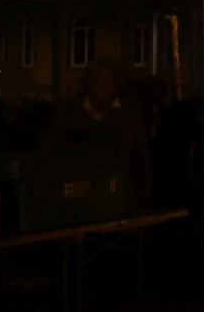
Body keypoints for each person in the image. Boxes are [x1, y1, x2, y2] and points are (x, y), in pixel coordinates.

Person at [51, 55, 151, 210]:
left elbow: (141, 161)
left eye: (107, 80)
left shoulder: (130, 117)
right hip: (77, 201)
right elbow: (54, 154)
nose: (101, 85)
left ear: (116, 83)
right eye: (96, 79)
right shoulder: (68, 113)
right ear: (87, 82)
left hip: (119, 200)